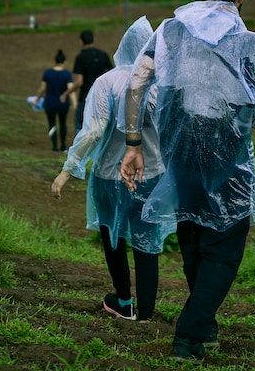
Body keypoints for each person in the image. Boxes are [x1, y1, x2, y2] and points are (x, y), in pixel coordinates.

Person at [120, 0, 255, 363]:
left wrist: (133, 142)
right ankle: (189, 333)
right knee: (225, 248)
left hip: (180, 154)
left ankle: (204, 324)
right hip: (226, 159)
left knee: (193, 234)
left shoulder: (170, 30)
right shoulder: (252, 45)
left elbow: (136, 83)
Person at [52, 16, 170, 322]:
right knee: (147, 242)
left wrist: (69, 168)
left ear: (122, 47)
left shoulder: (106, 83)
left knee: (113, 237)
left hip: (109, 176)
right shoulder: (161, 83)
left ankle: (123, 300)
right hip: (151, 175)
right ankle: (145, 313)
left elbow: (93, 131)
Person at [71, 29, 113, 134]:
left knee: (80, 127)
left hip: (85, 97)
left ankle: (81, 150)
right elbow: (112, 74)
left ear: (81, 41)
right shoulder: (103, 55)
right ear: (94, 39)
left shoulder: (80, 58)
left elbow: (79, 82)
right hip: (101, 98)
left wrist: (66, 93)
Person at [33, 49, 73, 152]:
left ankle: (55, 145)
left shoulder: (48, 73)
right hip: (63, 104)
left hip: (50, 103)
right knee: (63, 123)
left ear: (55, 61)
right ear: (64, 62)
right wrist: (74, 101)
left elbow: (42, 89)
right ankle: (63, 145)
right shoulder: (67, 74)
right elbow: (70, 88)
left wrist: (36, 99)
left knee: (52, 124)